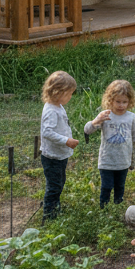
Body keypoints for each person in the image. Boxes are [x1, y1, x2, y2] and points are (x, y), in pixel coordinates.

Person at [84, 79, 135, 207]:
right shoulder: (105, 115)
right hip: (107, 160)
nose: (121, 105)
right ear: (110, 100)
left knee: (120, 186)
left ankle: (117, 205)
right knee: (107, 186)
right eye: (118, 101)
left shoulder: (131, 117)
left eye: (124, 102)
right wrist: (96, 121)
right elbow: (87, 130)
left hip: (123, 160)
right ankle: (103, 207)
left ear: (130, 101)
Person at [39, 71, 79, 220]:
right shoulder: (51, 110)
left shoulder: (57, 106)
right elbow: (47, 132)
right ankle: (48, 215)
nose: (70, 97)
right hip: (52, 157)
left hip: (59, 154)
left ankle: (55, 207)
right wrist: (66, 140)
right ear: (57, 92)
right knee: (54, 186)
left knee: (59, 182)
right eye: (68, 94)